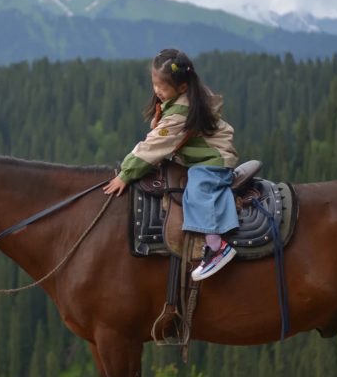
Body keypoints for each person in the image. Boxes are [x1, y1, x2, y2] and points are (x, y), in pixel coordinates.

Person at [103, 49, 240, 281]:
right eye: (154, 84)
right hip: (196, 156)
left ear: (183, 87)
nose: (157, 91)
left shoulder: (180, 114)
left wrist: (126, 173)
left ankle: (217, 247)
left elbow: (154, 146)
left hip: (213, 159)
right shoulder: (183, 99)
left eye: (162, 87)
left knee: (198, 190)